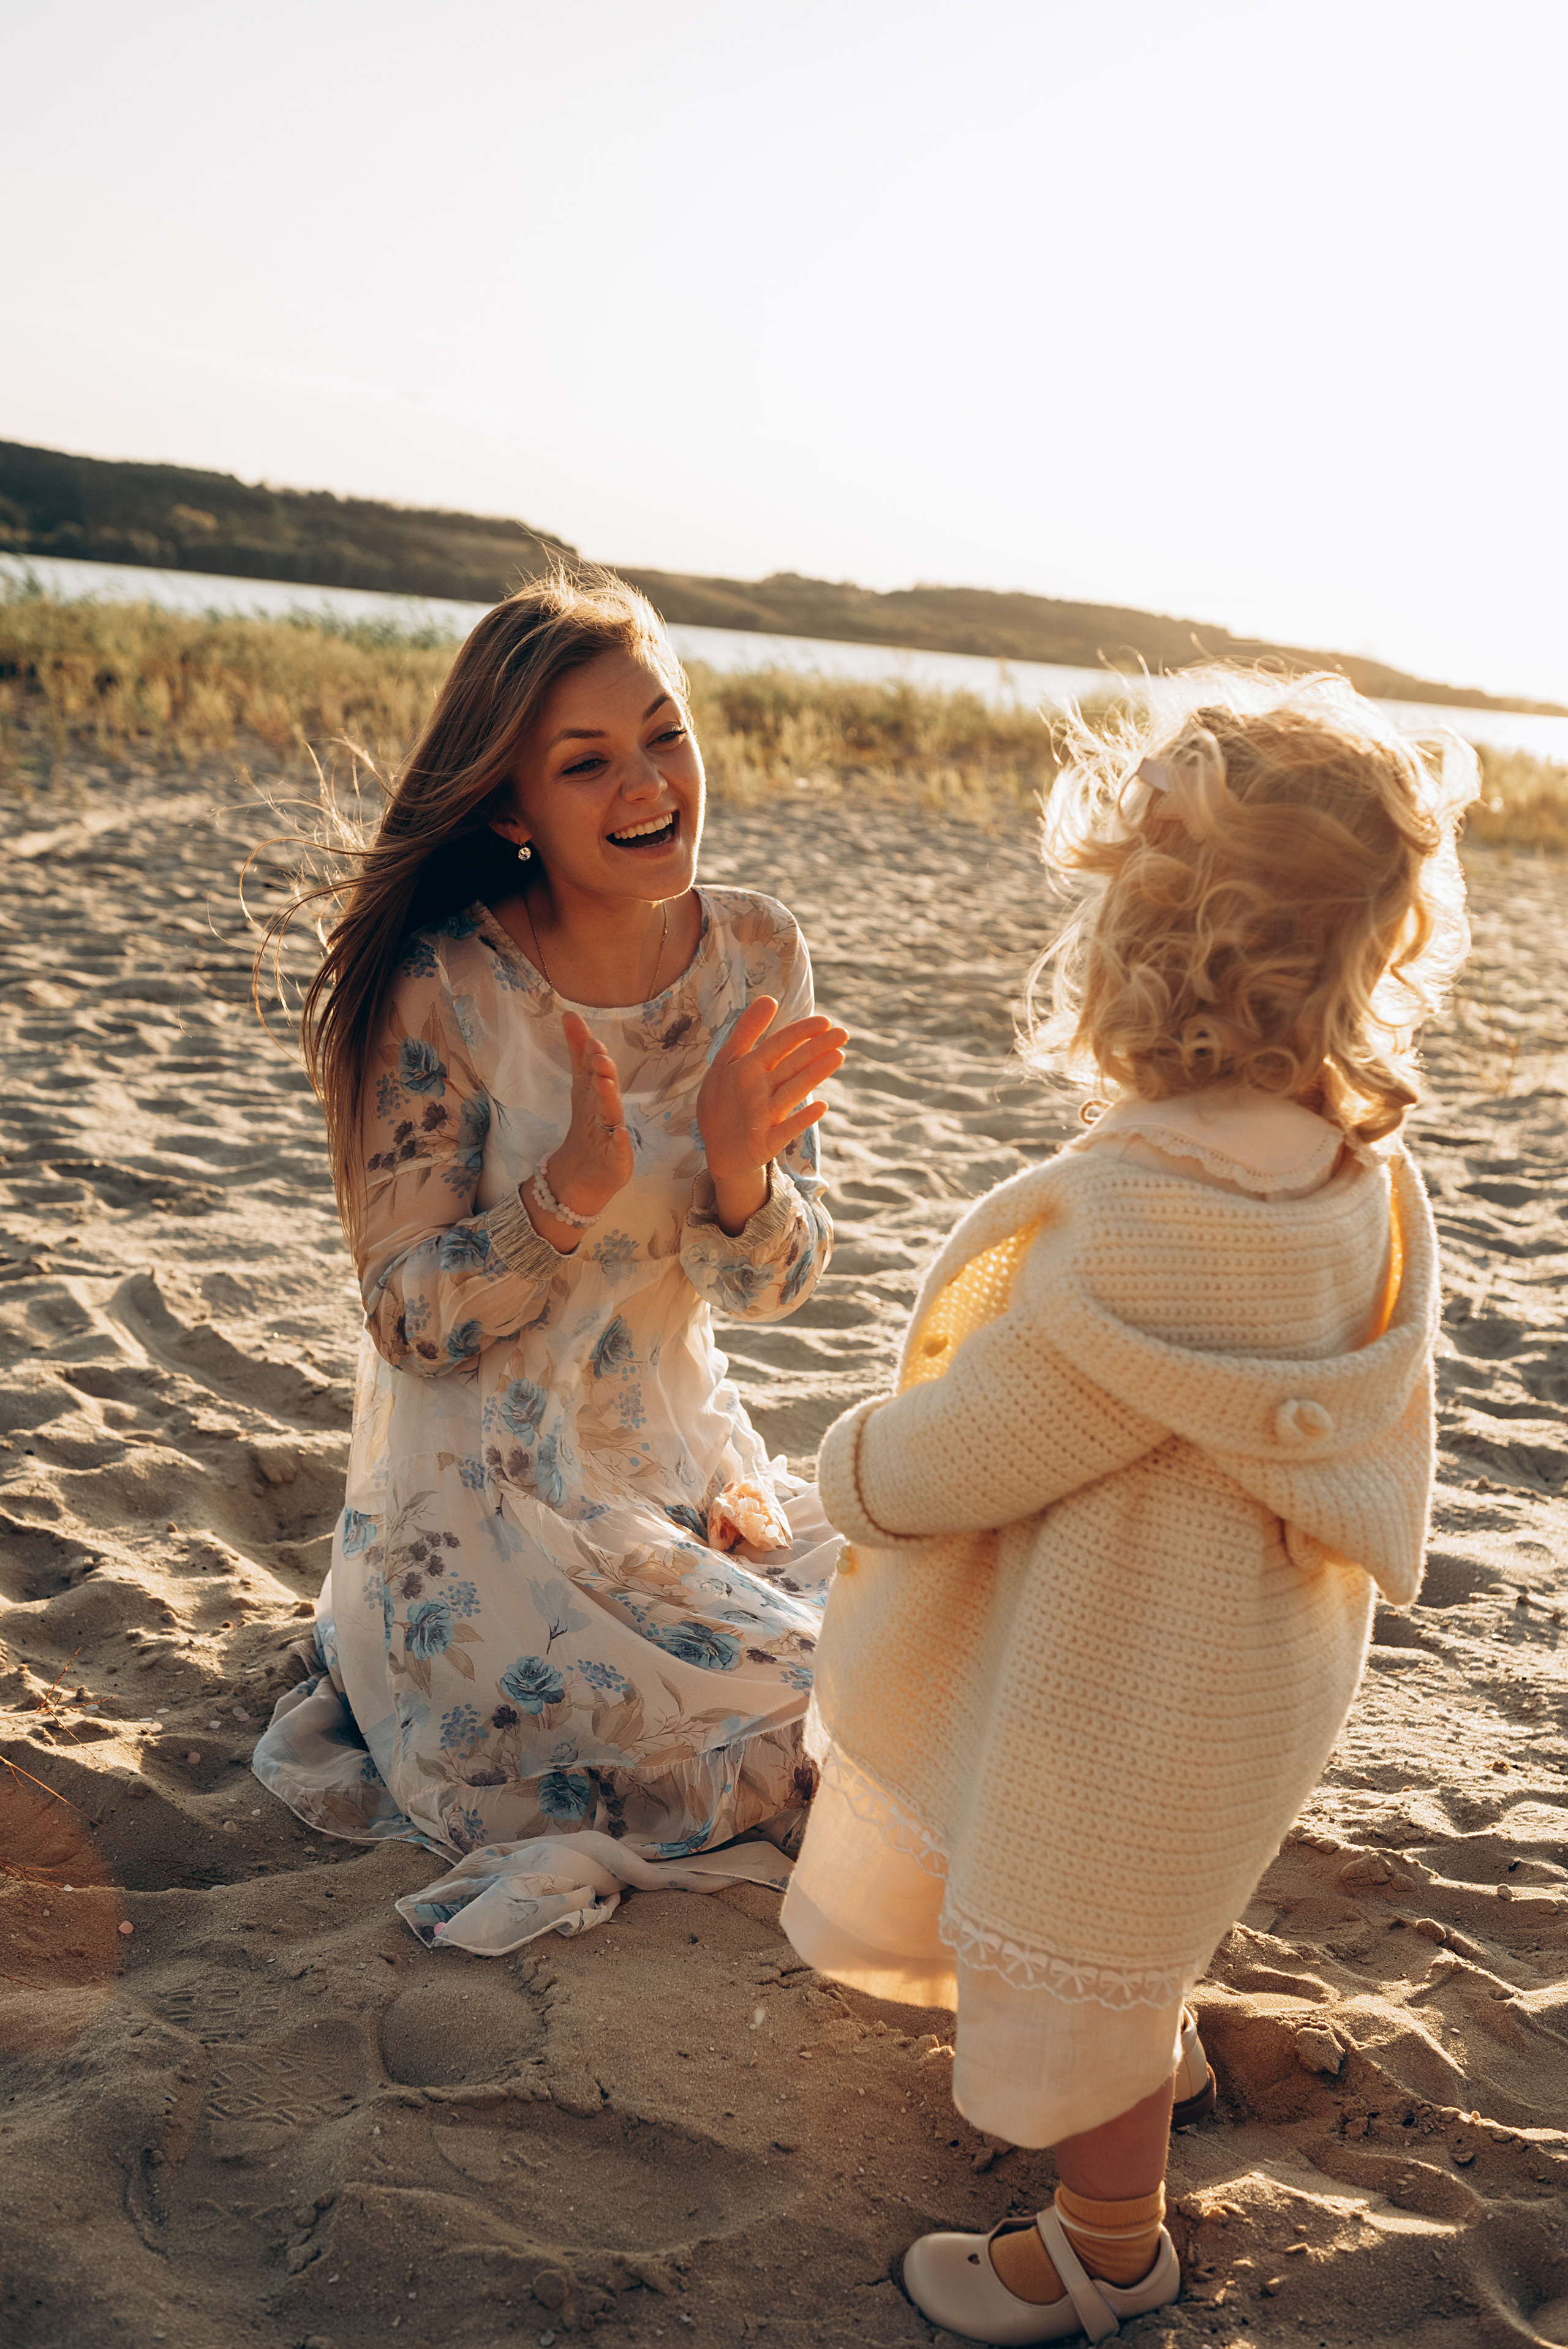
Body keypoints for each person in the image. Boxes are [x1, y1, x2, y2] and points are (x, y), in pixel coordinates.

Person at [782, 673, 1472, 2343]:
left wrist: (851, 1466)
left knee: (1069, 1950)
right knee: (1135, 1927)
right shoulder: (1360, 1180)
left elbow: (986, 1442)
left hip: (1116, 1702)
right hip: (1252, 1672)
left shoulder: (1138, 1214)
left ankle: (1108, 2245)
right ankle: (1140, 2067)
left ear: (1144, 949)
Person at [252, 571, 848, 1950]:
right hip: (487, 1491)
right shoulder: (445, 982)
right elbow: (409, 1319)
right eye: (587, 762)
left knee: (923, 1653)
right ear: (511, 809)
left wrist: (745, 1170)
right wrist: (562, 1200)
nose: (647, 783)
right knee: (812, 1718)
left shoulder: (756, 948)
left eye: (664, 734)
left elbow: (770, 1289)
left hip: (678, 1458)